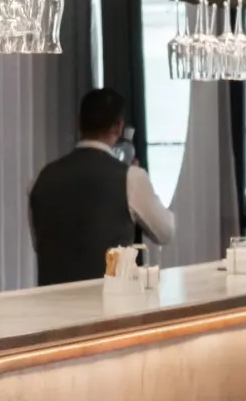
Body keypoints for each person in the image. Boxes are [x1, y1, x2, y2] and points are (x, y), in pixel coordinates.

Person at [29, 87, 175, 286]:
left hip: (51, 308)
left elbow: (40, 243)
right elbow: (165, 231)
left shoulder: (42, 177)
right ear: (119, 127)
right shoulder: (130, 178)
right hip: (110, 308)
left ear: (79, 124)